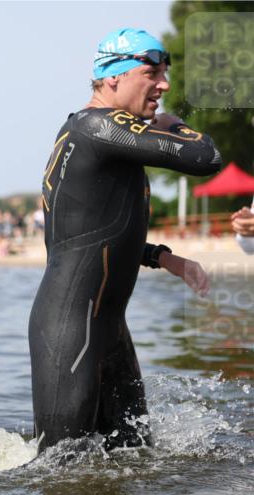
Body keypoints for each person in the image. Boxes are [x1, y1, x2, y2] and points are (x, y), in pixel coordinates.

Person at [29, 28, 221, 454]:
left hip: (109, 329)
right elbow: (205, 157)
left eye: (165, 75)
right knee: (61, 471)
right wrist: (174, 125)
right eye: (152, 74)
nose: (163, 85)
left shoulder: (97, 136)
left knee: (134, 458)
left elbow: (95, 232)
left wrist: (164, 258)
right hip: (70, 328)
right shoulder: (99, 126)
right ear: (113, 76)